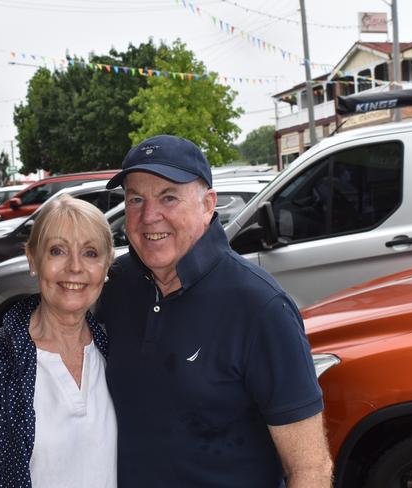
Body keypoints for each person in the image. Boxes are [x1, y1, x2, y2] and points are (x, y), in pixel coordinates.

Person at [98, 135, 333, 487]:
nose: (149, 216)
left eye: (168, 197)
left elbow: (310, 468)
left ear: (208, 205)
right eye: (136, 199)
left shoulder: (260, 307)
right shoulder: (115, 285)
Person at [0, 195, 117, 487]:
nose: (75, 267)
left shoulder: (116, 351)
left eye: (91, 253)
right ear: (32, 259)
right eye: (58, 251)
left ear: (107, 266)